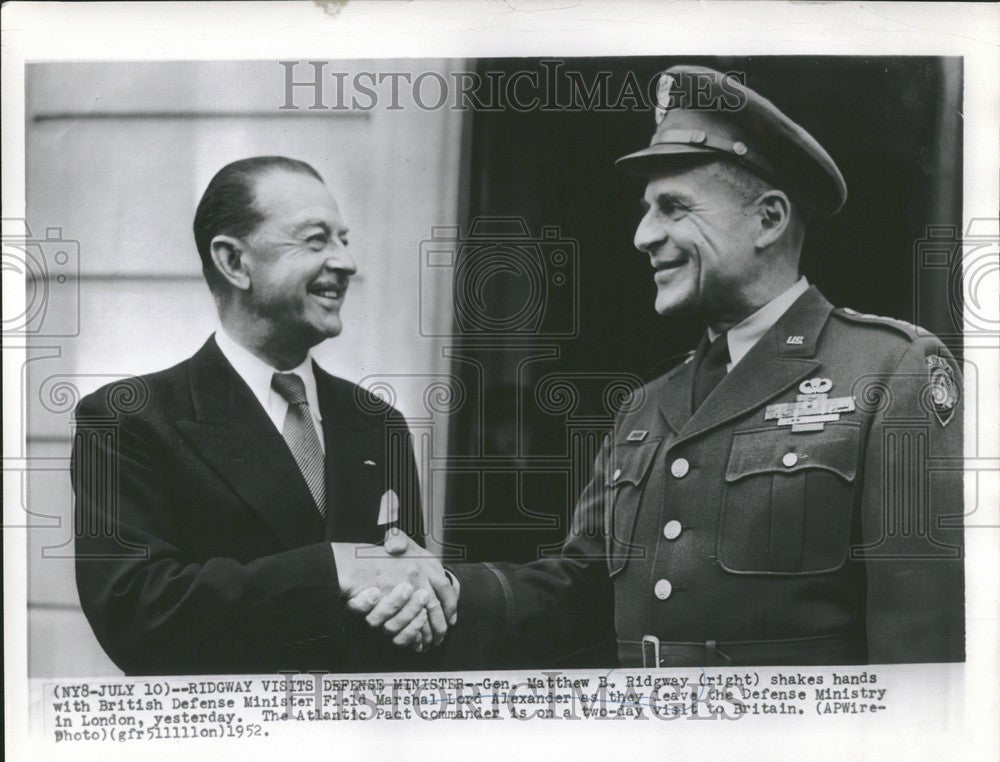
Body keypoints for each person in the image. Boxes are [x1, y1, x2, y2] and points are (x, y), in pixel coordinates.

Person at [364, 65, 965, 668]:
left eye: (674, 208)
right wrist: (449, 589)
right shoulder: (647, 405)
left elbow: (921, 644)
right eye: (648, 209)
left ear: (769, 219)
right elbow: (581, 589)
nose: (642, 235)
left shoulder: (890, 373)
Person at [72, 156, 456, 675]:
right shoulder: (131, 421)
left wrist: (431, 598)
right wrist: (334, 568)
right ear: (234, 261)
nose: (346, 263)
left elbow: (404, 589)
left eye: (344, 239)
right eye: (317, 240)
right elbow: (138, 613)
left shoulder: (378, 423)